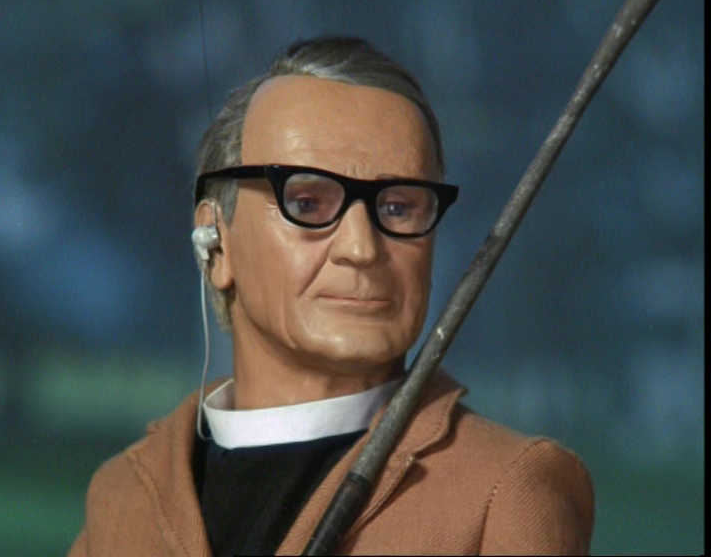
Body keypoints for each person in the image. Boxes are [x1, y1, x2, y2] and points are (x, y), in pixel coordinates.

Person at [68, 36, 594, 556]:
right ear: (218, 242)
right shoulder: (122, 499)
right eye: (307, 202)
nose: (362, 249)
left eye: (398, 208)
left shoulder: (502, 493)